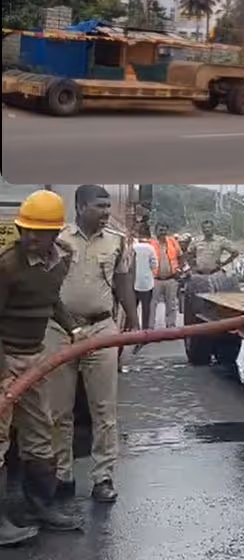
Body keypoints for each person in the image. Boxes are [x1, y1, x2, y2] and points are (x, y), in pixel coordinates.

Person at [0, 190, 83, 542]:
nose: (32, 237)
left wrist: (73, 329)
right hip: (4, 357)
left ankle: (41, 506)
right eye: (27, 230)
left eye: (40, 231)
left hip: (34, 358)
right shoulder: (8, 266)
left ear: (55, 233)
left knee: (39, 435)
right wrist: (4, 373)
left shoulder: (61, 261)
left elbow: (52, 300)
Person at [49, 185, 137, 504]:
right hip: (60, 330)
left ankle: (103, 478)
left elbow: (123, 283)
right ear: (80, 207)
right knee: (59, 410)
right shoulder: (58, 240)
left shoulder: (117, 241)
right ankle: (62, 476)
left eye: (107, 206)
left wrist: (134, 321)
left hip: (101, 328)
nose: (106, 212)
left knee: (104, 408)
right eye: (99, 206)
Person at [149, 223, 184, 329]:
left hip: (171, 278)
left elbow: (181, 256)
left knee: (171, 304)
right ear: (156, 231)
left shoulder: (172, 242)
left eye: (165, 230)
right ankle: (150, 327)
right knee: (152, 304)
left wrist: (179, 270)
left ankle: (171, 325)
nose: (163, 232)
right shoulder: (151, 243)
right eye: (160, 230)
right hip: (155, 279)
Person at [132, 224, 159, 330]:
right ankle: (145, 330)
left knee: (133, 307)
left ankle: (133, 328)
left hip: (133, 282)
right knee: (146, 308)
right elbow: (154, 265)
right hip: (147, 284)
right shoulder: (150, 248)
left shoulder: (133, 247)